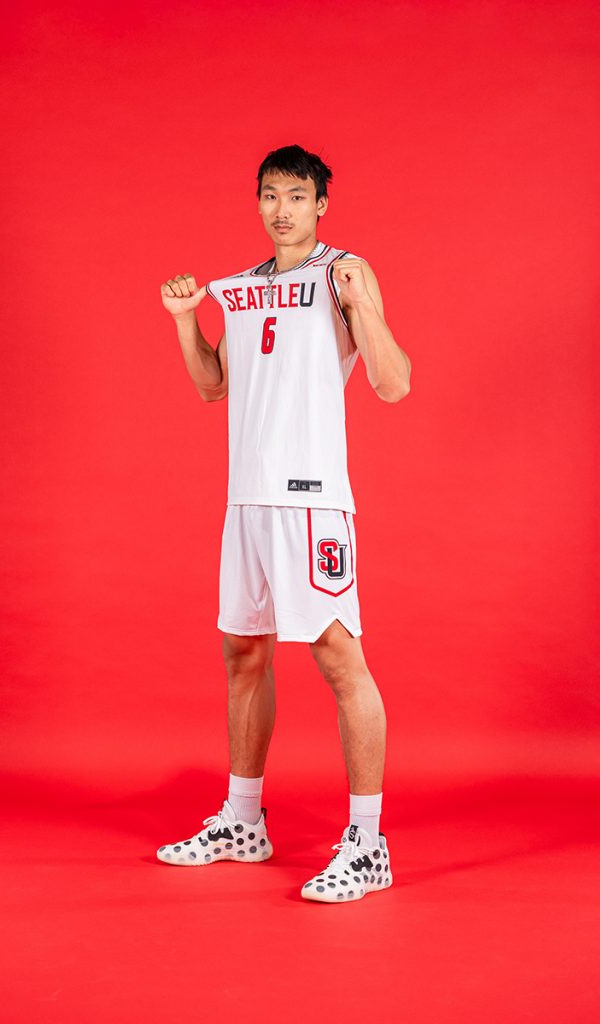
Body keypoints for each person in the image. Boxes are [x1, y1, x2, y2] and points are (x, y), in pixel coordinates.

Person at [157, 144, 411, 903]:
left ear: (320, 205)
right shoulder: (238, 291)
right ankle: (243, 822)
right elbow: (213, 387)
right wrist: (184, 322)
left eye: (297, 196)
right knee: (243, 654)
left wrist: (363, 305)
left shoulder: (343, 274)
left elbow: (393, 383)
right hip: (247, 500)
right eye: (270, 195)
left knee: (338, 659)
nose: (281, 209)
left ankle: (368, 844)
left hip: (311, 499)